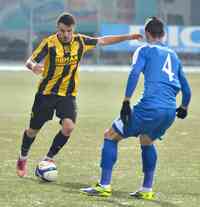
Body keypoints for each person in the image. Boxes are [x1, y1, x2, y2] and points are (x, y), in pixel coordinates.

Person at [16, 12, 142, 177]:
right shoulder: (50, 43)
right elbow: (30, 60)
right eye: (63, 31)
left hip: (68, 95)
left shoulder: (80, 41)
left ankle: (48, 158)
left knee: (68, 128)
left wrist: (129, 36)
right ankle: (23, 157)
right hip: (46, 94)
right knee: (33, 131)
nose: (66, 34)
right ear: (57, 29)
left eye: (69, 31)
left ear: (73, 30)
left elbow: (103, 40)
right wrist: (33, 67)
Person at [80, 17, 191, 200]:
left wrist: (126, 101)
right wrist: (184, 107)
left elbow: (134, 73)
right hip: (170, 110)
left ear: (147, 34)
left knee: (110, 135)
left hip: (149, 108)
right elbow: (186, 89)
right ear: (163, 35)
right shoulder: (173, 55)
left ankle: (104, 185)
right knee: (147, 140)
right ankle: (147, 189)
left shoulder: (144, 50)